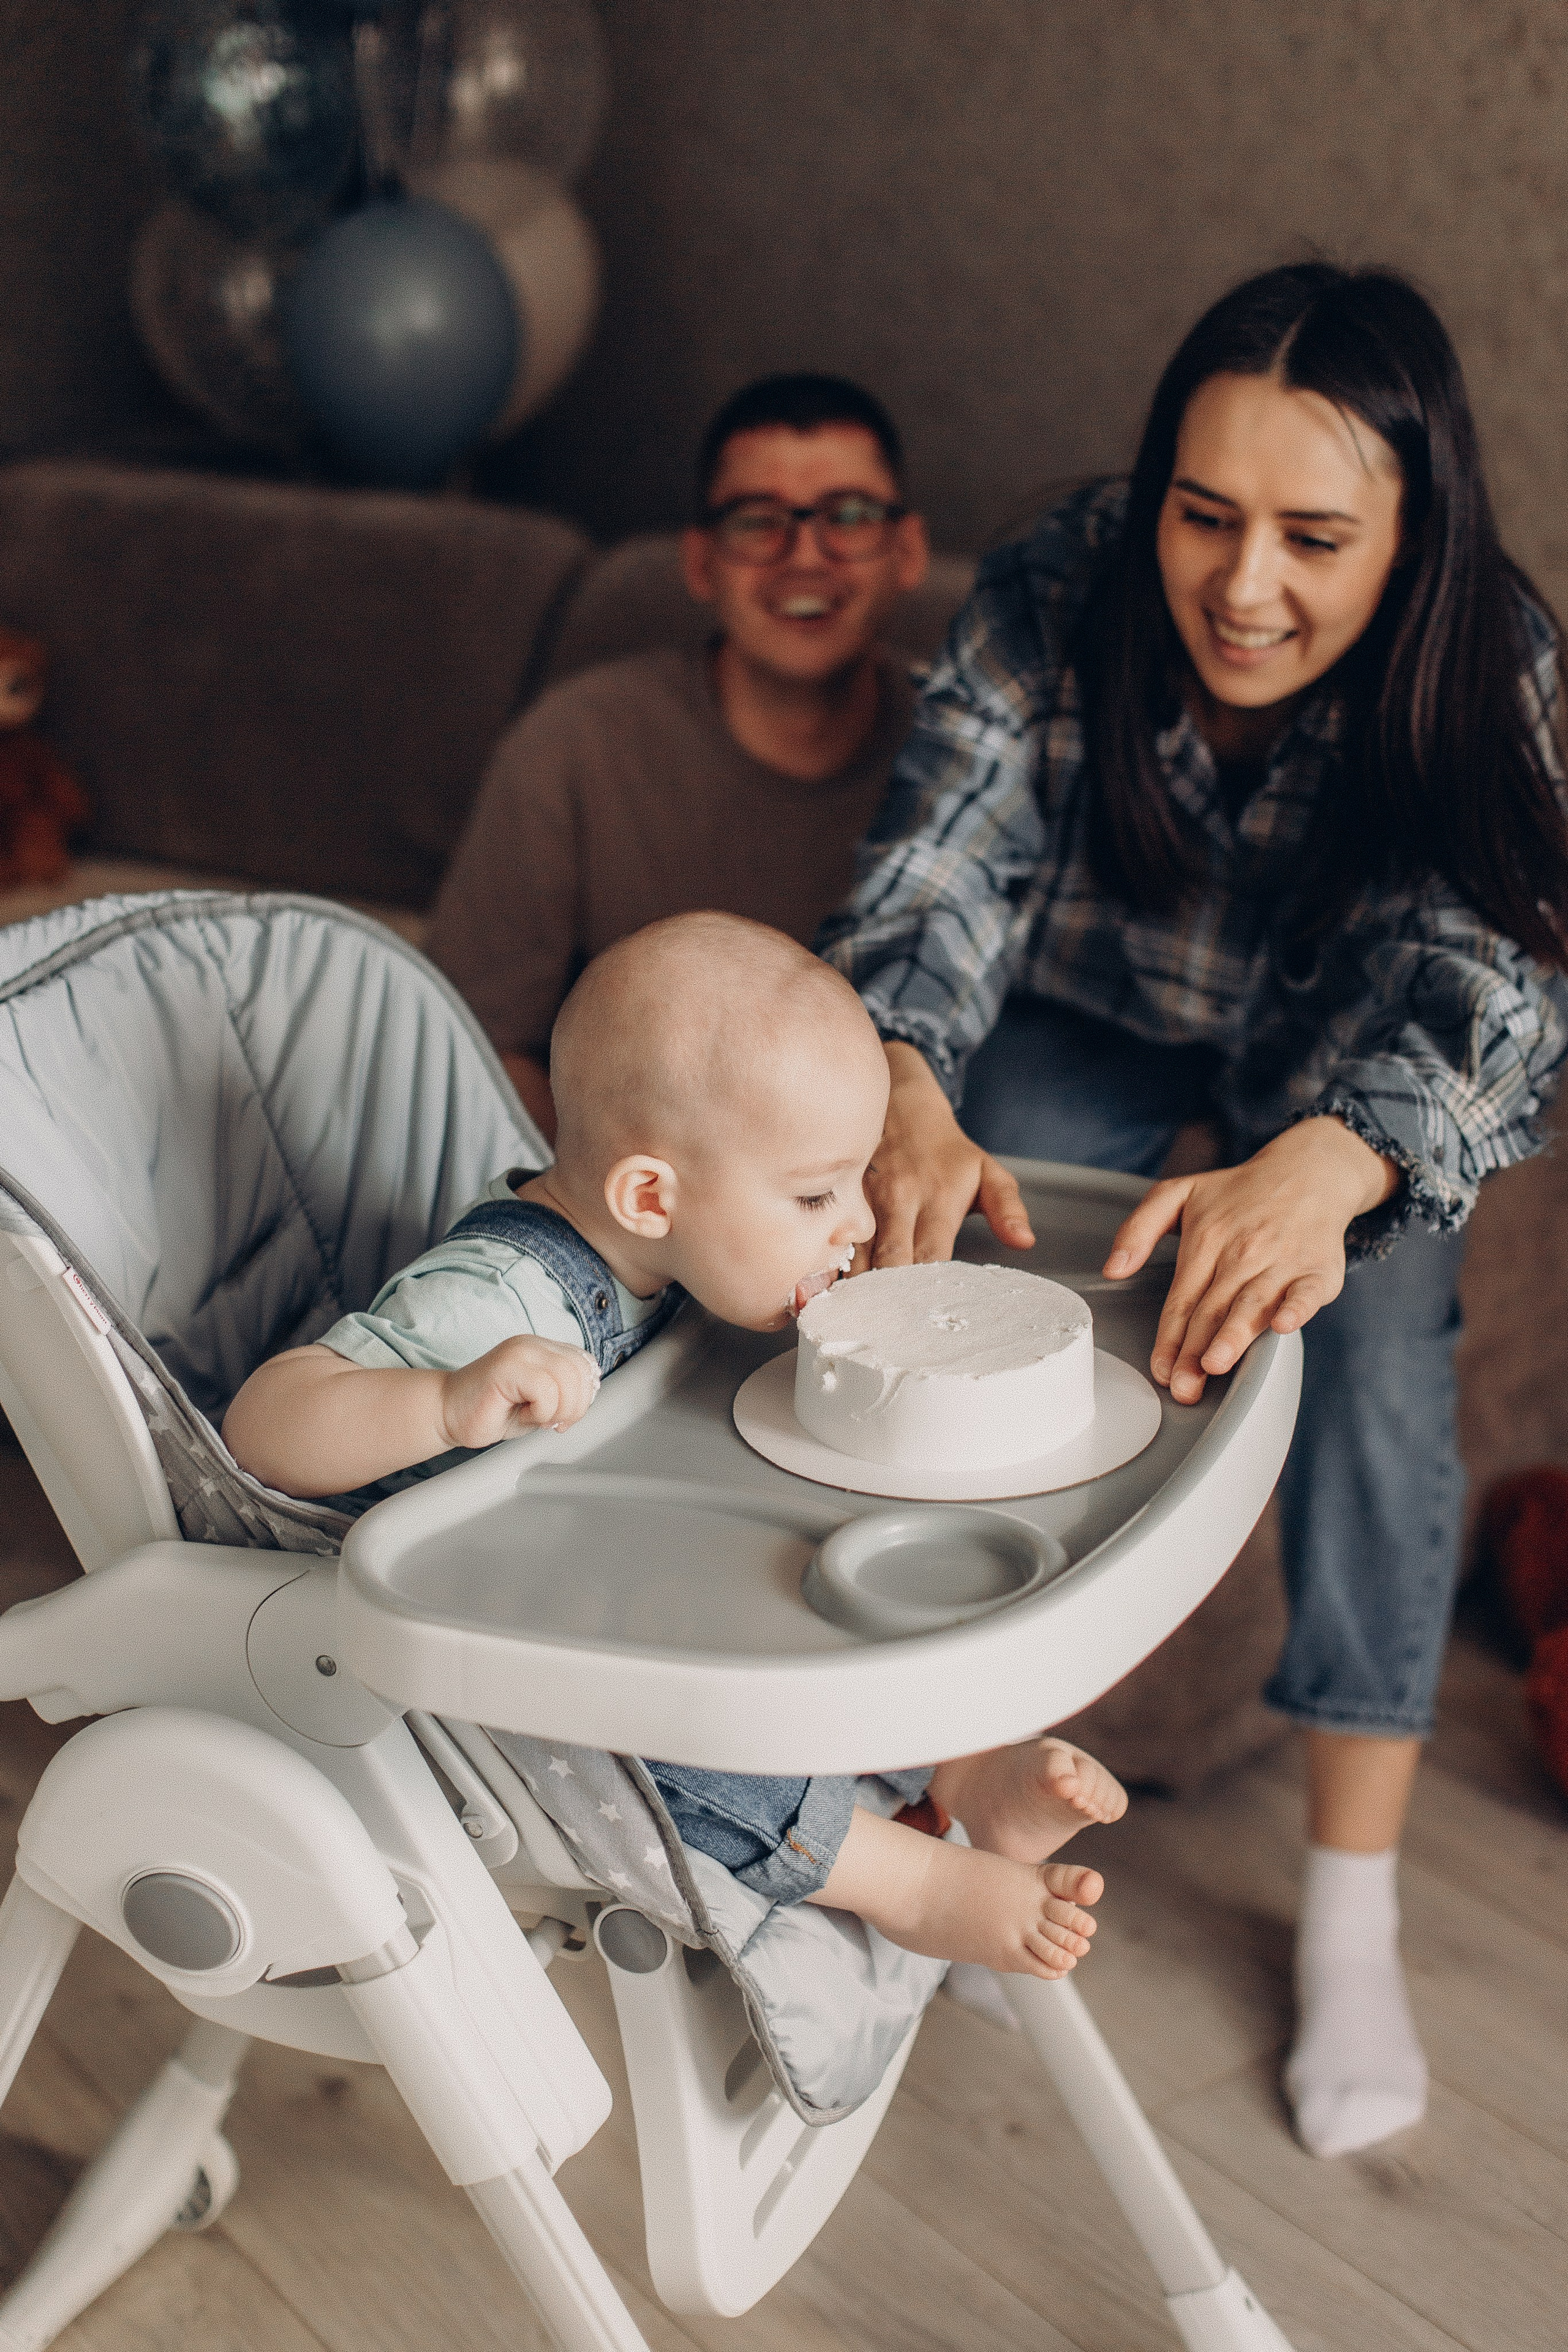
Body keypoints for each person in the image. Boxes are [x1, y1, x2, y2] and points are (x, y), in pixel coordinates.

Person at [817, 263, 1568, 2157]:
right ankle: (953, 1794)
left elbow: (1514, 990)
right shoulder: (1050, 581)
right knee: (961, 1241)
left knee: (1381, 1342)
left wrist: (1349, 1154)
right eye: (1203, 514)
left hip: (1344, 1076)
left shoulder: (1492, 658)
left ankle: (1351, 1904)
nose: (1242, 586)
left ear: (1410, 537)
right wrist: (897, 1071)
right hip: (1093, 1014)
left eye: (1313, 536)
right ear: (1149, 487)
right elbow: (936, 864)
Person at [223, 913, 1125, 1978]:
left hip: (620, 1583)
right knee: (646, 1730)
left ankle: (961, 1771)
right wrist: (442, 1402)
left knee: (795, 1582)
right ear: (650, 1195)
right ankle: (905, 1879)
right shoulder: (493, 1302)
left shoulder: (676, 1264)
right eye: (814, 1194)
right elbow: (264, 1425)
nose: (851, 1224)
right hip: (482, 1677)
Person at [425, 375, 931, 1140]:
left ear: (908, 550)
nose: (805, 556)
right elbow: (474, 1044)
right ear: (700, 562)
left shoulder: (968, 764)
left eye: (850, 516)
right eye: (758, 521)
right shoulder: (573, 744)